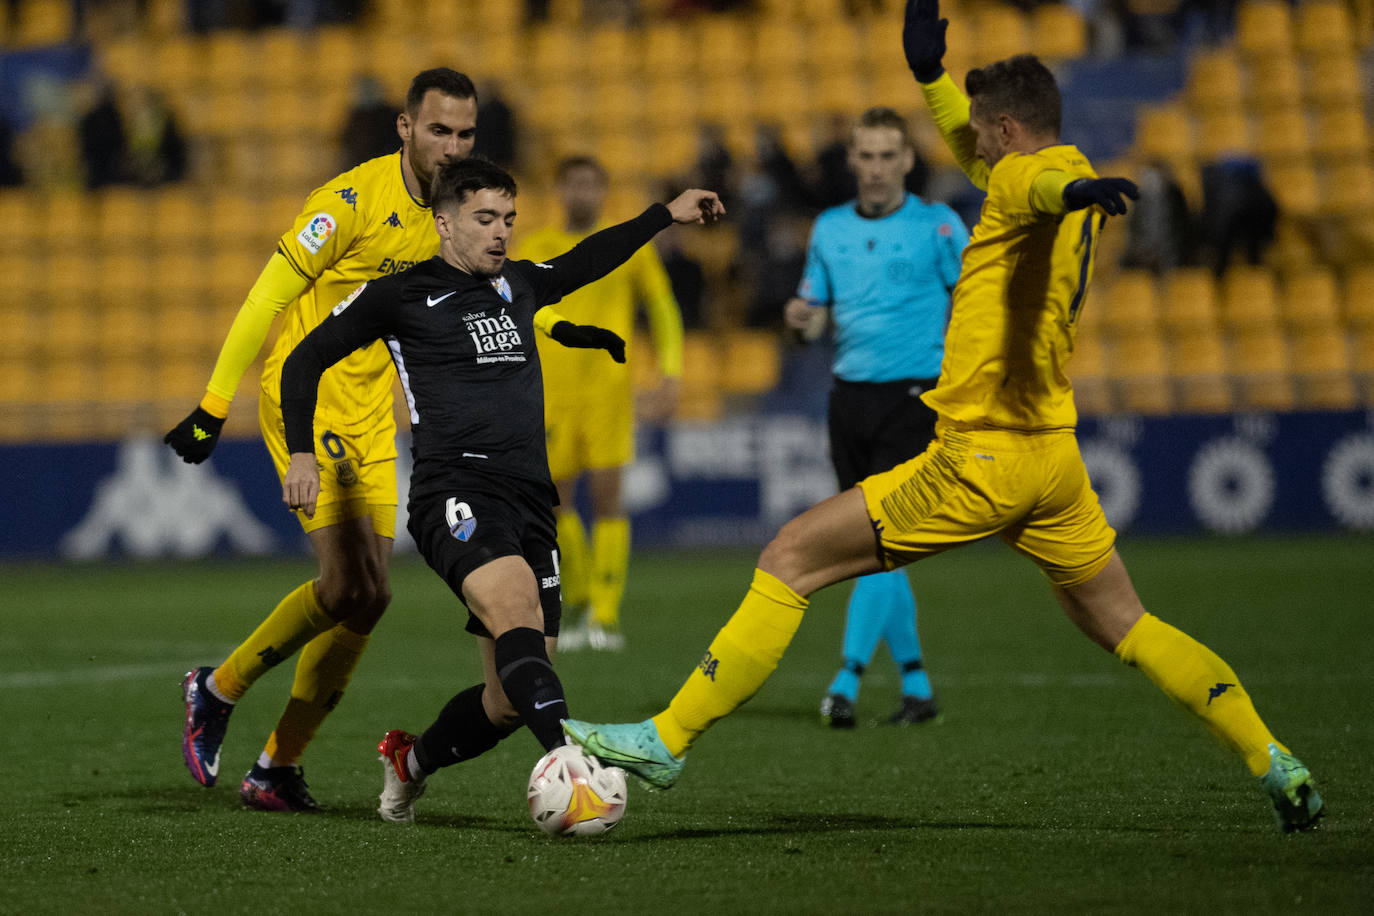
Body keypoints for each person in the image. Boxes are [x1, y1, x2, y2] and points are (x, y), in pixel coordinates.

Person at [560, 0, 1324, 835]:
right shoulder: (1038, 163)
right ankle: (1273, 758)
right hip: (1054, 460)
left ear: (1006, 130)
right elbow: (1007, 158)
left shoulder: (1035, 182)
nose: (971, 152)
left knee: (790, 557)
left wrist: (1073, 189)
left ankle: (665, 740)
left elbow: (1035, 183)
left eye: (984, 134)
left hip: (980, 458)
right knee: (1130, 625)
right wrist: (930, 78)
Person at [274, 156, 724, 823]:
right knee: (515, 615)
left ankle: (410, 761)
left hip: (528, 501)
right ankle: (571, 761)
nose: (500, 233)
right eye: (485, 218)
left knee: (511, 695)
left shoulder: (519, 284)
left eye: (508, 219)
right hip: (454, 491)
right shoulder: (402, 294)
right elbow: (303, 358)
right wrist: (302, 452)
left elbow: (588, 258)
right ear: (445, 221)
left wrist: (664, 214)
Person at [168, 68, 479, 812]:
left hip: (372, 414)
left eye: (466, 134)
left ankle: (276, 766)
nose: (453, 146)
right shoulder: (349, 202)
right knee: (346, 584)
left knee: (370, 600)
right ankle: (217, 689)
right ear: (405, 128)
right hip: (309, 402)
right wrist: (213, 404)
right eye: (439, 130)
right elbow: (268, 294)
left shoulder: (460, 213)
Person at [782, 106, 968, 729]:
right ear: (852, 160)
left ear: (909, 161)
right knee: (878, 549)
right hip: (849, 399)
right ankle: (917, 687)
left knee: (877, 540)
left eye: (890, 155)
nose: (878, 167)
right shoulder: (829, 228)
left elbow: (974, 304)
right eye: (867, 155)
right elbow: (812, 307)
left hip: (915, 397)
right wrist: (800, 320)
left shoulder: (939, 227)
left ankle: (846, 682)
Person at [514, 156, 684, 651]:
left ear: (603, 191)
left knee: (609, 498)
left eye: (590, 185)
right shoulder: (539, 248)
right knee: (554, 501)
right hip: (551, 395)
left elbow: (663, 308)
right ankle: (583, 596)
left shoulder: (627, 247)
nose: (582, 194)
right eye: (573, 185)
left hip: (609, 392)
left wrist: (669, 371)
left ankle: (605, 616)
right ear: (560, 191)